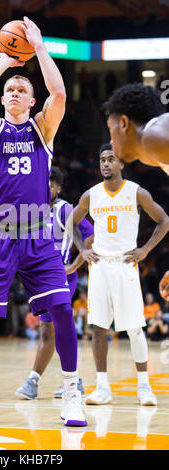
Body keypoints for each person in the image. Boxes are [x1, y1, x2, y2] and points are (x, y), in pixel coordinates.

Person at [0, 17, 87, 427]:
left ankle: (71, 393)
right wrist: (4, 61)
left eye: (22, 90)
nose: (13, 91)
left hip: (37, 236)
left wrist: (40, 49)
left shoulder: (42, 129)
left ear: (32, 102)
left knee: (63, 312)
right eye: (10, 89)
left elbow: (60, 92)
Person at [72, 143, 169, 406]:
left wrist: (146, 249)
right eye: (102, 160)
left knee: (135, 329)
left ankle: (144, 386)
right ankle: (102, 387)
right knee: (99, 328)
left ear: (121, 164)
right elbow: (70, 221)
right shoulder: (91, 195)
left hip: (126, 264)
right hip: (100, 266)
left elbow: (164, 221)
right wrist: (83, 250)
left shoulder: (136, 193)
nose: (105, 164)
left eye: (111, 159)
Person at [16, 165, 93, 400]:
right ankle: (72, 381)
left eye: (50, 185)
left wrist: (74, 265)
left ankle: (34, 381)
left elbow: (90, 234)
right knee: (49, 331)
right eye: (43, 184)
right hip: (40, 279)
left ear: (58, 187)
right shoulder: (33, 211)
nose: (45, 188)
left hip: (61, 277)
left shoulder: (64, 209)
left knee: (51, 330)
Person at [103, 82, 169, 175]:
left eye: (110, 128)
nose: (111, 142)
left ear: (124, 123)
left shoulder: (151, 136)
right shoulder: (152, 153)